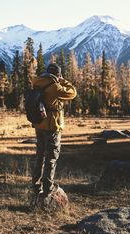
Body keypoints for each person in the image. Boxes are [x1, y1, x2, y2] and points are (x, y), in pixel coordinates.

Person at [31, 63, 77, 201]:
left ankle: (35, 186)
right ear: (57, 74)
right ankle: (47, 188)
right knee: (51, 157)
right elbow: (73, 92)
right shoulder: (55, 87)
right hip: (52, 126)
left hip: (39, 125)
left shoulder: (37, 82)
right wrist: (62, 80)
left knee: (40, 156)